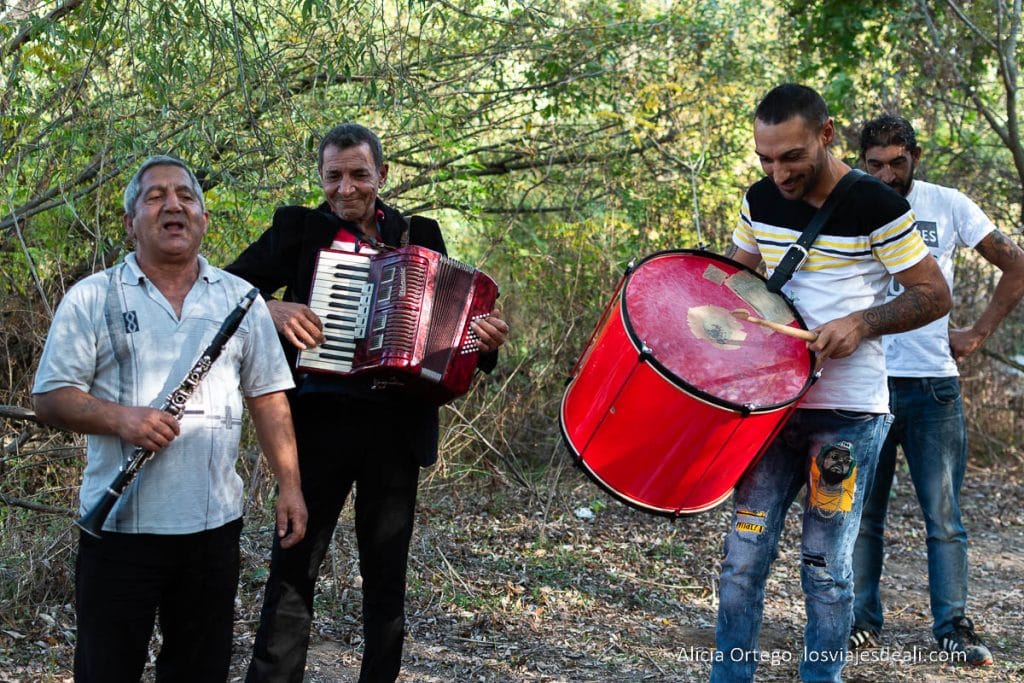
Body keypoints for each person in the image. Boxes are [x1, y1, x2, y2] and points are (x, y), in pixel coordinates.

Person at [226, 122, 509, 683]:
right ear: (320, 178)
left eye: (359, 175)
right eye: (334, 176)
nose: (346, 188)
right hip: (316, 427)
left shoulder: (419, 233)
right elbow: (228, 288)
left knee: (386, 579)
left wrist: (484, 341)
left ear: (382, 175)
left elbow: (449, 331)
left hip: (395, 430)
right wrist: (274, 311)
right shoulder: (298, 230)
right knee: (293, 569)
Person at [31, 155, 308, 683]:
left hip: (212, 531)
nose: (173, 205)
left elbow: (269, 399)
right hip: (118, 531)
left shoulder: (241, 299)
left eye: (186, 195)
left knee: (199, 671)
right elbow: (50, 398)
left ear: (204, 218)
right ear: (131, 220)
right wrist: (122, 419)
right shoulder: (91, 297)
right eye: (155, 196)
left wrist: (290, 486)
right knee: (106, 670)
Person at [710, 84, 952, 683]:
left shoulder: (876, 205)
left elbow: (933, 295)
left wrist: (861, 323)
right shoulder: (758, 200)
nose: (778, 172)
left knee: (824, 566)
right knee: (743, 558)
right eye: (765, 158)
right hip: (771, 408)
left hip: (849, 414)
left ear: (826, 134)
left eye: (790, 156)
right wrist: (711, 316)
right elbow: (737, 280)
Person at [850, 114, 1024, 665]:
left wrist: (977, 333)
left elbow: (1016, 264)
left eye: (896, 163)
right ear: (860, 161)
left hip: (932, 387)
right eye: (874, 164)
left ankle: (953, 628)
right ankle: (859, 620)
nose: (885, 175)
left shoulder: (947, 204)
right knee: (861, 516)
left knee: (944, 518)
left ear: (914, 158)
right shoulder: (845, 205)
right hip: (864, 384)